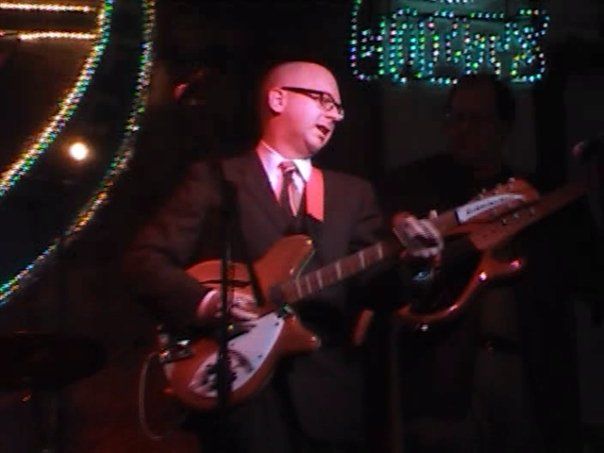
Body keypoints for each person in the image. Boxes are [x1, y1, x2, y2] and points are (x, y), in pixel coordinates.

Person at [122, 60, 442, 453]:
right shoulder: (217, 179)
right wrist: (204, 303)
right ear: (278, 99)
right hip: (239, 397)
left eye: (339, 108)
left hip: (328, 403)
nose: (335, 115)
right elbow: (144, 261)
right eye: (324, 100)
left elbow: (375, 289)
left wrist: (418, 266)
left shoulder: (351, 194)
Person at [381, 73, 588, 452]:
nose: (461, 130)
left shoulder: (537, 196)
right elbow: (400, 278)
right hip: (446, 378)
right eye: (455, 117)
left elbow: (580, 277)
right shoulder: (416, 186)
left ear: (504, 127)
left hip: (525, 371)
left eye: (475, 120)